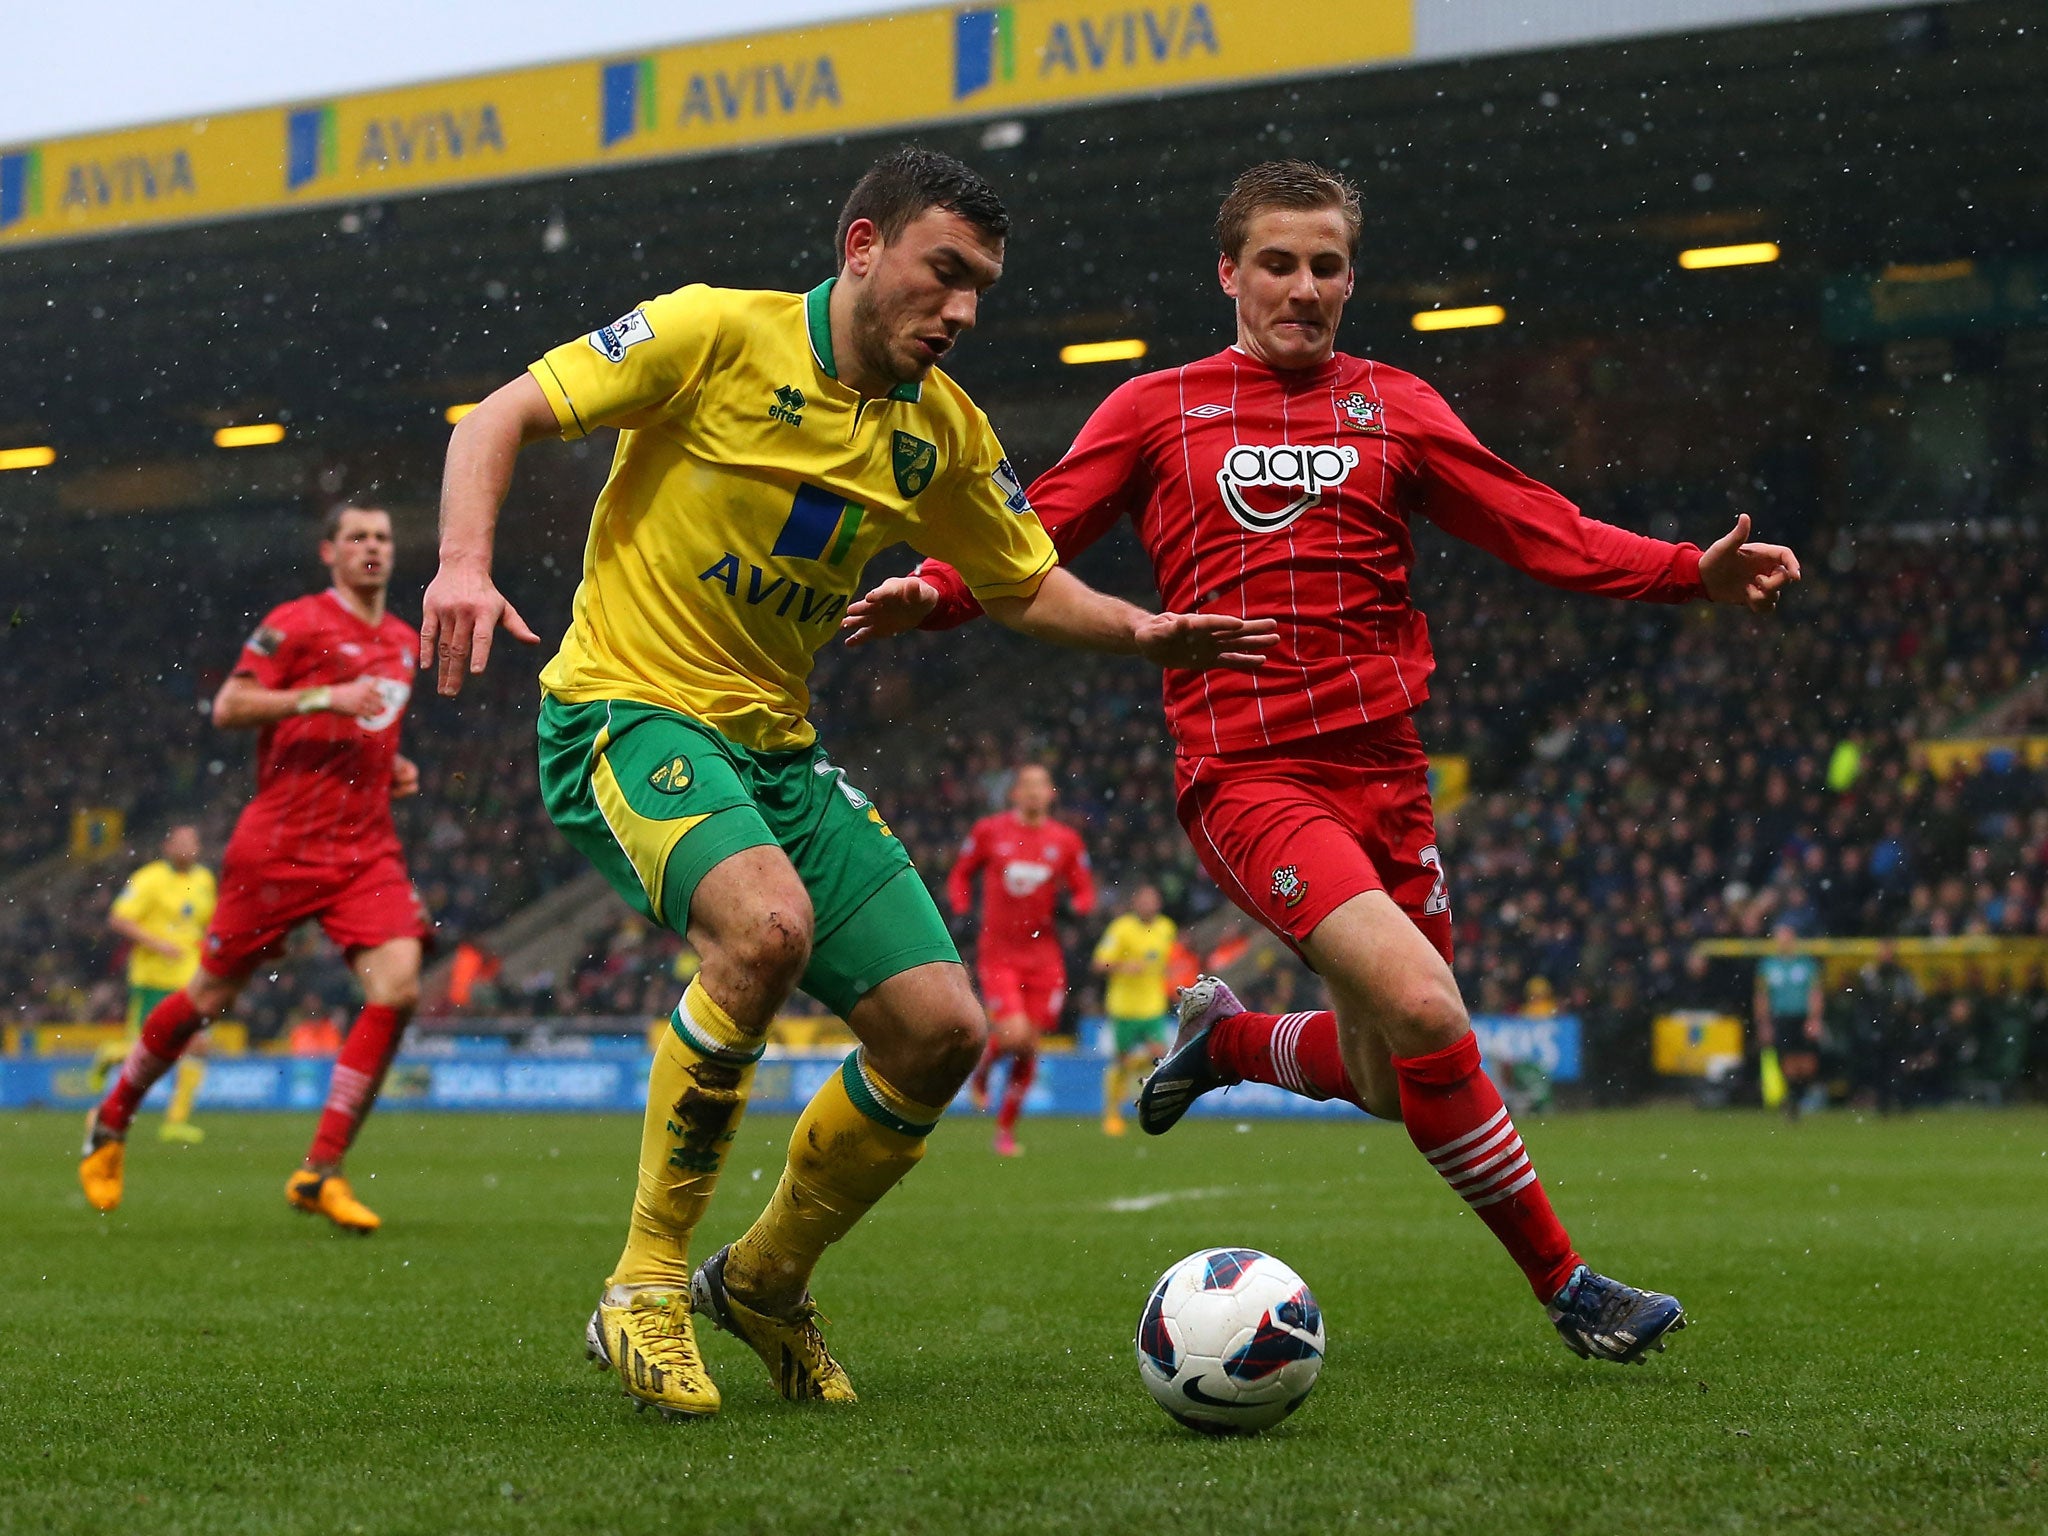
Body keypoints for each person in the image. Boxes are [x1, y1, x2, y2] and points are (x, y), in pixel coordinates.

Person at [846, 159, 1802, 1365]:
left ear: (1350, 278)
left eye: (1326, 266)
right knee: (1419, 1004)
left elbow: (1533, 523)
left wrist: (1683, 569)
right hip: (1247, 776)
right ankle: (1570, 1289)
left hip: (1387, 776)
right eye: (1278, 264)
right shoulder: (1158, 408)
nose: (1303, 289)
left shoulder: (1395, 405)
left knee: (1393, 1075)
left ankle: (1227, 1043)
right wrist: (934, 589)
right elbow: (1030, 530)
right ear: (1229, 273)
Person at [420, 147, 1272, 1420]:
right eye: (943, 273)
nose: (963, 310)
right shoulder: (711, 335)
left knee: (943, 1032)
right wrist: (462, 567)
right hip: (624, 707)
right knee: (764, 932)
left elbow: (1022, 580)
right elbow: (501, 415)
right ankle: (642, 1288)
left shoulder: (942, 431)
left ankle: (761, 1280)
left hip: (776, 750)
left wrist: (1142, 630)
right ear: (862, 246)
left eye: (980, 287)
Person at [79, 505, 432, 1233]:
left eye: (384, 538)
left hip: (365, 847)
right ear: (329, 550)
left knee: (397, 988)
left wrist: (387, 762)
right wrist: (322, 695)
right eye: (359, 537)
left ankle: (320, 1170)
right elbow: (231, 705)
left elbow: (361, 728)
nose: (373, 547)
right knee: (208, 998)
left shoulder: (401, 641)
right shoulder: (297, 623)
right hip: (278, 846)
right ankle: (110, 1120)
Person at [950, 763, 1096, 1155]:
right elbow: (961, 874)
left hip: (1044, 957)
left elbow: (1085, 892)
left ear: (1051, 794)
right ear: (1014, 793)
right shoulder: (990, 831)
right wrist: (961, 908)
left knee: (1029, 1045)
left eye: (1040, 785)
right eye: (1026, 785)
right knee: (1014, 1035)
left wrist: (1075, 906)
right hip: (999, 954)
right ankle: (981, 1072)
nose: (1033, 792)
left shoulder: (1065, 841)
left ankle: (1005, 1129)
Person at [93, 825, 216, 1143]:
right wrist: (158, 943)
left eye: (194, 842)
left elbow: (208, 924)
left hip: (191, 978)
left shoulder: (204, 881)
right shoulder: (148, 879)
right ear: (167, 846)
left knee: (199, 1043)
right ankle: (112, 1054)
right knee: (145, 1049)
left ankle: (176, 1121)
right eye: (182, 842)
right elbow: (119, 918)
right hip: (153, 978)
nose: (189, 848)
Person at [1091, 883, 1178, 1137]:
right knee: (1121, 1060)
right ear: (1135, 903)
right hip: (1124, 1008)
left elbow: (1170, 962)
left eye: (1152, 900)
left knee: (1160, 1056)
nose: (1148, 904)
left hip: (1152, 1007)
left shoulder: (1166, 928)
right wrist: (1122, 966)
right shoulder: (1121, 929)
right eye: (1144, 900)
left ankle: (1151, 1108)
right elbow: (1098, 963)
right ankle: (1112, 1114)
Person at [1754, 924, 1824, 1117]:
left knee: (1808, 1062)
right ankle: (1793, 1099)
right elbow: (1762, 996)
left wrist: (1814, 1019)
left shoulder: (1807, 964)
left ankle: (1800, 1096)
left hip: (1802, 1017)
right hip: (1781, 1017)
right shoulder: (1768, 966)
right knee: (1787, 1060)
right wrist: (1764, 1022)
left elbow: (1815, 992)